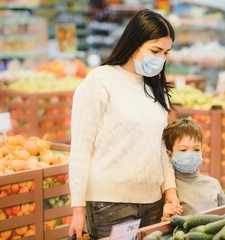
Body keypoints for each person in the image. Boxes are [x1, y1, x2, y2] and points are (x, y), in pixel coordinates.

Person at [68, 9, 183, 239]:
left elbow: (159, 147)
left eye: (166, 53)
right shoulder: (99, 81)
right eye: (155, 51)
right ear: (135, 43)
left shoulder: (154, 88)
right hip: (109, 203)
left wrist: (170, 190)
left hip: (152, 202)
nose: (161, 59)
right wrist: (77, 210)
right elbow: (80, 149)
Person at [161, 119, 225, 220]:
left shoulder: (213, 184)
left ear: (201, 151)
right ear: (170, 154)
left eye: (196, 149)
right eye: (183, 150)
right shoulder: (167, 190)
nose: (191, 155)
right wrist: (165, 218)